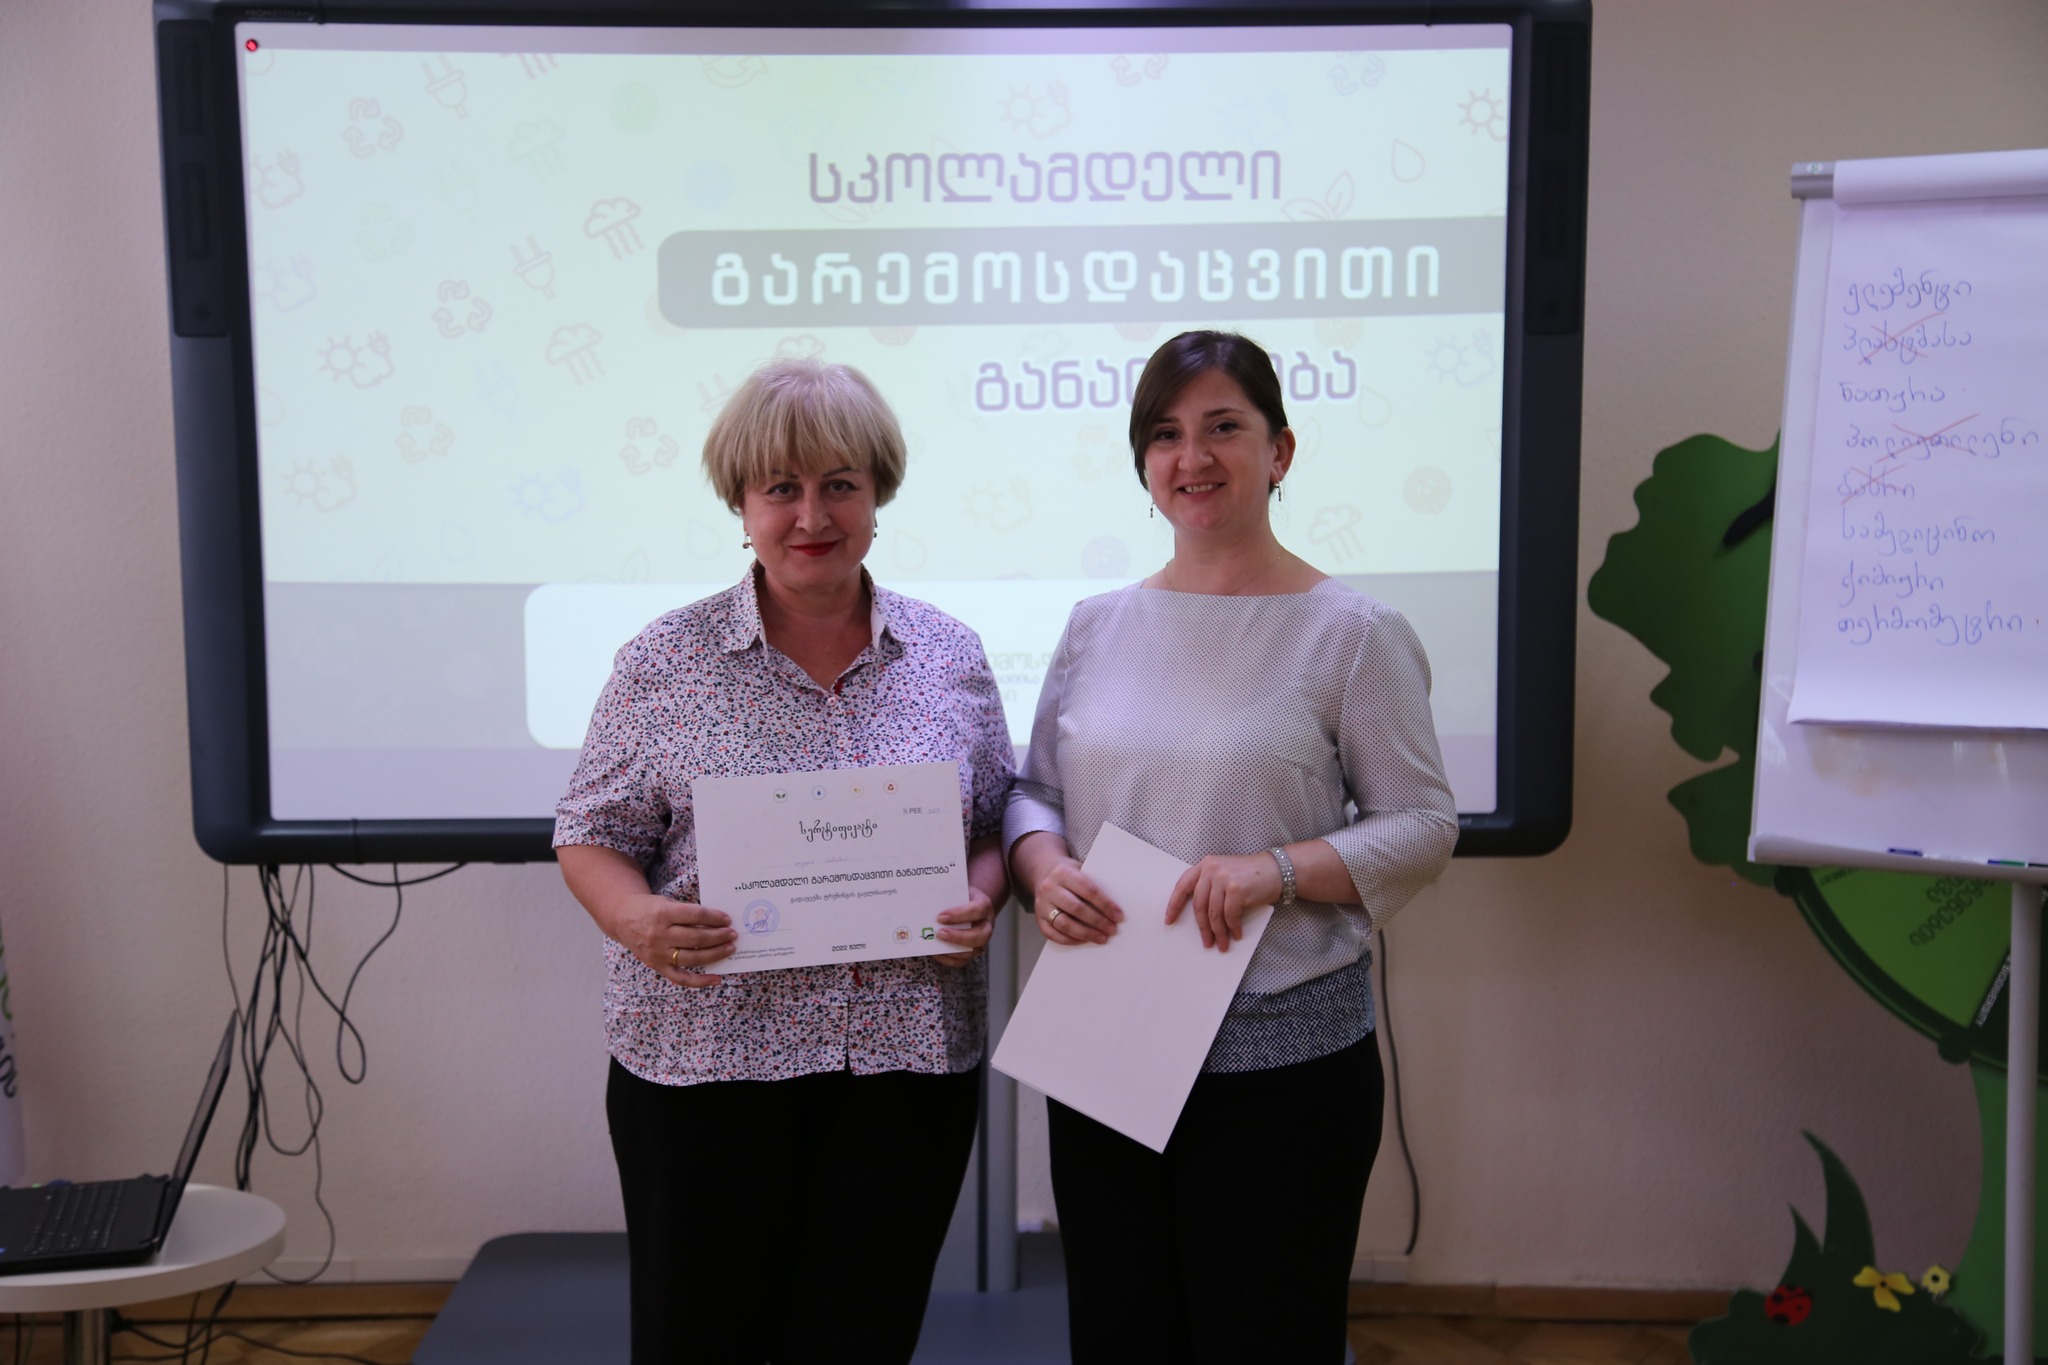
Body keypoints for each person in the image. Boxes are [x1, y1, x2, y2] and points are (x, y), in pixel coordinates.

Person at [1005, 330, 1459, 1364]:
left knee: (1264, 1338)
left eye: (1222, 427)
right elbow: (1033, 792)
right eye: (1165, 434)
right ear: (1143, 463)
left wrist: (1276, 872)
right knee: (1120, 1336)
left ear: (1279, 450)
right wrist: (1043, 869)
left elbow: (1424, 825)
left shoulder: (1352, 632)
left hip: (1281, 1065)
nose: (1192, 457)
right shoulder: (1094, 626)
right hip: (1105, 1040)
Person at [554, 359, 1014, 1365]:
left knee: (862, 1337)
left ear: (878, 495)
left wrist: (979, 896)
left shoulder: (949, 655)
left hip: (901, 1067)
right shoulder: (663, 661)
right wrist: (633, 919)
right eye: (781, 488)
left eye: (840, 484)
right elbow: (590, 833)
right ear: (741, 503)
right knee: (698, 1342)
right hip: (704, 1067)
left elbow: (986, 824)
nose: (812, 515)